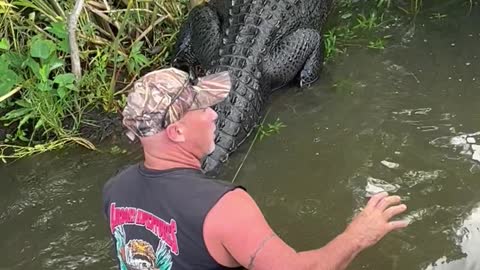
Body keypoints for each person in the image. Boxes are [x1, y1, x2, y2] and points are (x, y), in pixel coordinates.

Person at [102, 67, 409, 270]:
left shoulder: (114, 191)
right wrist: (358, 235)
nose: (212, 115)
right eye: (202, 108)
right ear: (177, 132)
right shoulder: (226, 208)